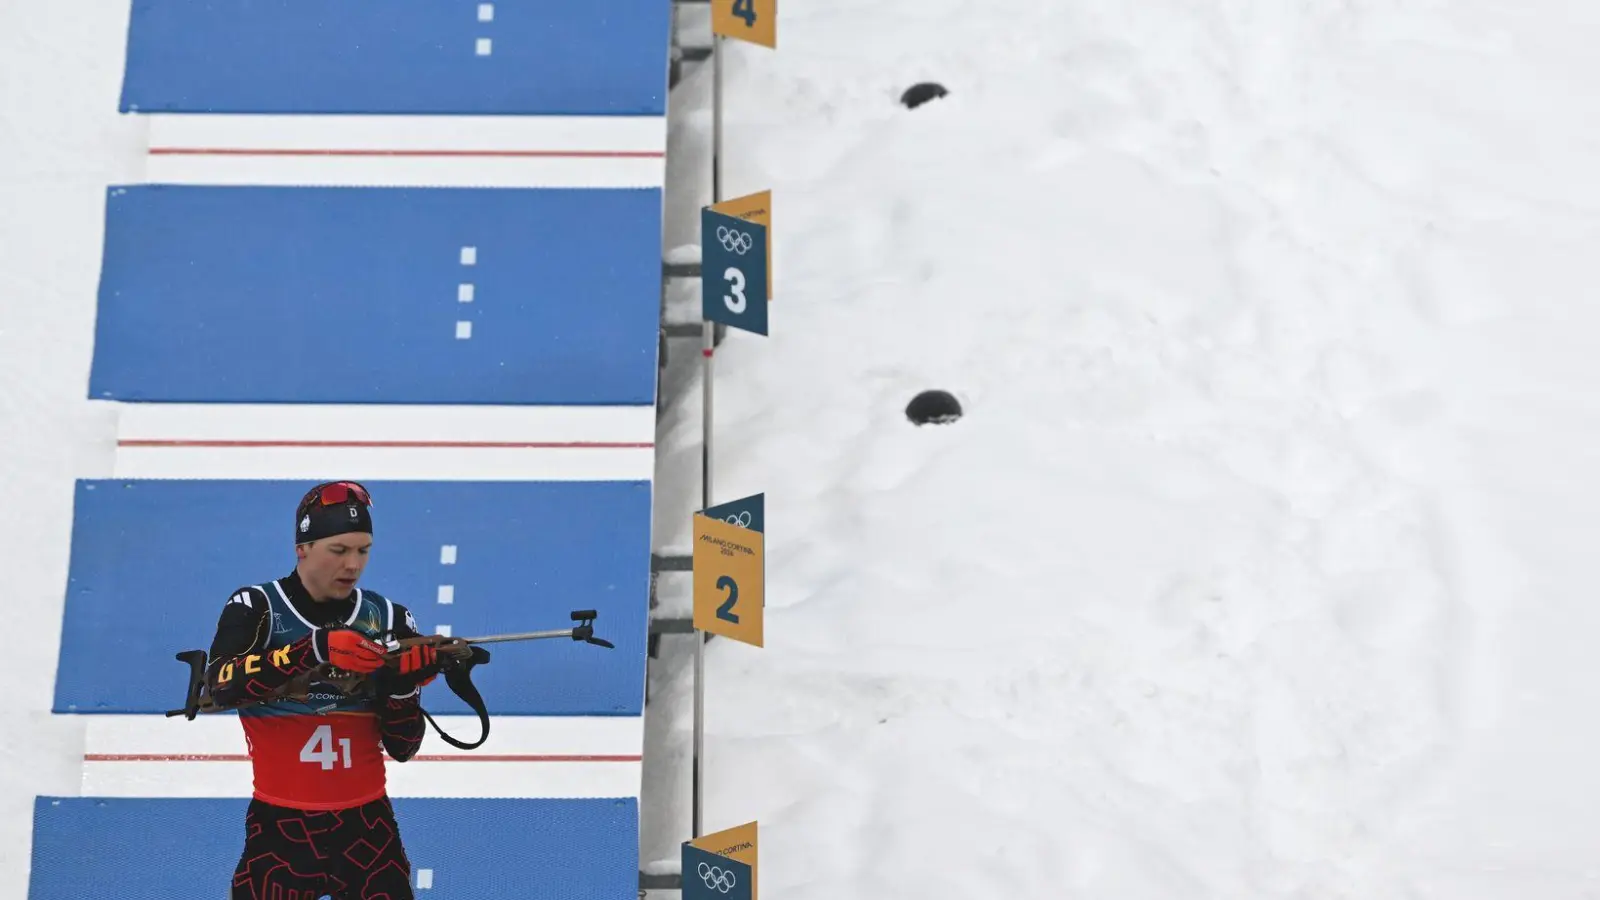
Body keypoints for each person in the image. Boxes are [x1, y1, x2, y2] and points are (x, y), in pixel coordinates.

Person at [201, 480, 443, 900]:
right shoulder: (256, 607)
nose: (353, 564)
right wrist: (312, 649)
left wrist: (403, 689)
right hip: (280, 831)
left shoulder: (388, 617)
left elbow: (403, 747)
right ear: (303, 547)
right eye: (339, 550)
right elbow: (220, 685)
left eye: (363, 550)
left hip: (367, 830)